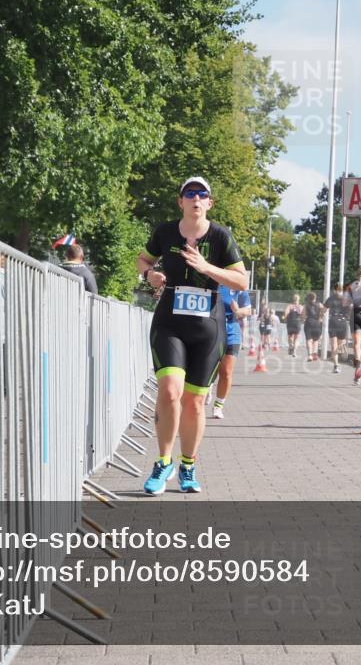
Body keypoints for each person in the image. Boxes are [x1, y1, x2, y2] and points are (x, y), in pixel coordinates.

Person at [136, 176, 248, 495]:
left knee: (195, 403)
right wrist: (149, 274)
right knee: (170, 391)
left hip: (207, 329)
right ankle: (162, 461)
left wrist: (206, 267)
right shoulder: (165, 232)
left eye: (202, 195)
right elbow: (143, 259)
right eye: (190, 194)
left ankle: (188, 465)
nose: (196, 199)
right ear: (180, 201)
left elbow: (241, 281)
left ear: (209, 203)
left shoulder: (220, 237)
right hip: (170, 323)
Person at [213, 284, 252, 418]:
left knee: (226, 372)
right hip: (211, 331)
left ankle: (218, 405)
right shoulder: (210, 280)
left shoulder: (236, 284)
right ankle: (205, 389)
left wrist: (238, 311)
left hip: (231, 332)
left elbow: (248, 309)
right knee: (210, 369)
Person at [323, 284, 351, 373]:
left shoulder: (330, 298)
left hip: (333, 321)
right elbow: (351, 307)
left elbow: (323, 310)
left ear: (334, 290)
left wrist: (320, 316)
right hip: (343, 322)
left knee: (333, 345)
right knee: (339, 344)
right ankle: (340, 349)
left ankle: (336, 366)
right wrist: (347, 316)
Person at [302, 292, 323, 361]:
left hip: (309, 323)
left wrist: (304, 320)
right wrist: (320, 318)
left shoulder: (306, 305)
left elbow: (303, 316)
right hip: (317, 323)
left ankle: (310, 355)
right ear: (315, 297)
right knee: (316, 340)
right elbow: (323, 312)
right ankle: (314, 353)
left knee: (309, 340)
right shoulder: (319, 304)